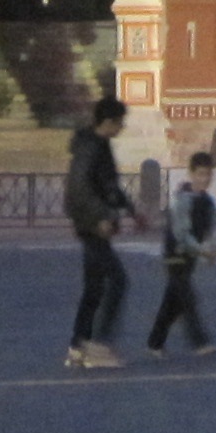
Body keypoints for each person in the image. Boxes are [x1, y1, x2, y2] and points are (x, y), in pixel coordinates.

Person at [65, 97, 137, 367]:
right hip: (91, 225)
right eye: (120, 123)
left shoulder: (100, 145)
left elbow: (109, 184)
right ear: (108, 122)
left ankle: (78, 345)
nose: (121, 128)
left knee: (94, 287)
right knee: (118, 281)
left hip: (95, 223)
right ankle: (99, 346)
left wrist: (130, 209)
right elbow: (79, 189)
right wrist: (102, 217)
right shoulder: (88, 148)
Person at [149, 147, 216, 357]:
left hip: (190, 256)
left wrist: (215, 247)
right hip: (175, 254)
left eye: (208, 174)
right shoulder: (182, 199)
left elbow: (215, 227)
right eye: (200, 174)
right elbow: (181, 234)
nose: (205, 179)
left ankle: (155, 343)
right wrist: (204, 252)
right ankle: (199, 341)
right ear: (191, 174)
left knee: (173, 302)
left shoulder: (208, 202)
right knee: (187, 297)